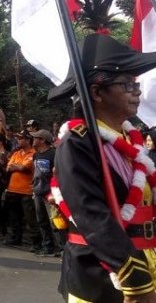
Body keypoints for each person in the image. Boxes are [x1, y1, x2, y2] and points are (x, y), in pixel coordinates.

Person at [48, 33, 156, 302]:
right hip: (104, 274)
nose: (137, 91)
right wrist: (133, 277)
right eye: (127, 84)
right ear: (96, 92)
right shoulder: (77, 143)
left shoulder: (131, 139)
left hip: (147, 259)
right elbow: (90, 214)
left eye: (136, 83)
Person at [4, 130, 39, 250]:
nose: (18, 140)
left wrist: (17, 166)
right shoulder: (16, 153)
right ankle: (16, 238)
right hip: (12, 190)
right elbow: (8, 168)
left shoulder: (33, 153)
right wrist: (16, 167)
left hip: (26, 191)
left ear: (28, 139)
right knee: (14, 217)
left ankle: (36, 243)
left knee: (30, 219)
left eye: (20, 138)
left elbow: (24, 167)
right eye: (17, 138)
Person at [30, 129, 57, 257]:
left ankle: (62, 248)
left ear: (42, 140)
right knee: (41, 221)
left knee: (55, 221)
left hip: (50, 193)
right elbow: (35, 173)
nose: (33, 140)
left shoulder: (53, 154)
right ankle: (48, 247)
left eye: (36, 138)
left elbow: (57, 174)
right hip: (38, 192)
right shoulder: (36, 155)